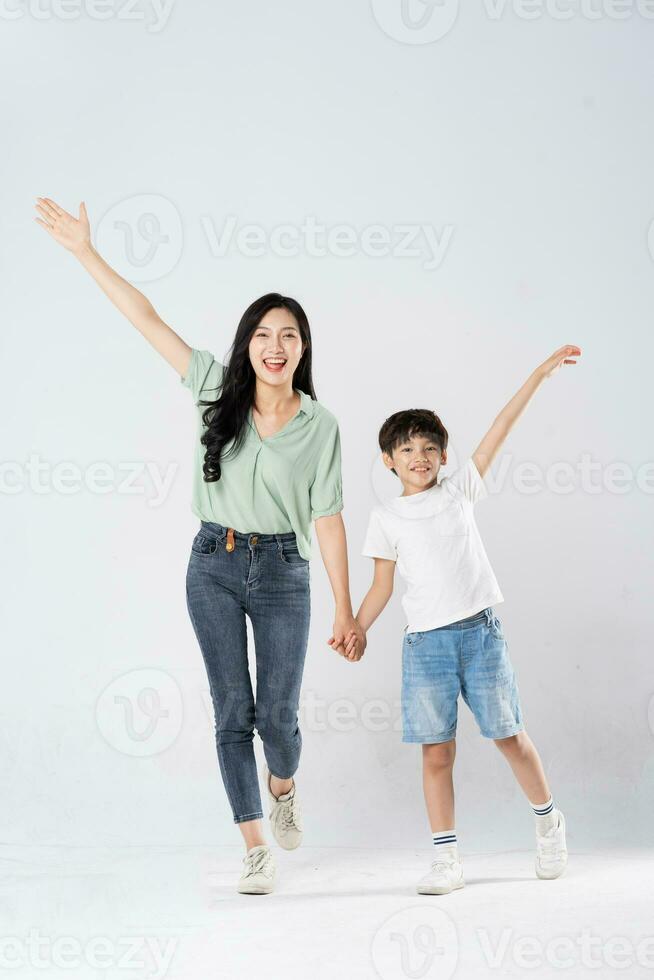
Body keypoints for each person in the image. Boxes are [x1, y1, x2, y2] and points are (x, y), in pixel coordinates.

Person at [35, 197, 365, 896]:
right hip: (211, 564)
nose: (276, 347)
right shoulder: (214, 387)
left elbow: (330, 520)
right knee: (231, 711)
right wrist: (86, 252)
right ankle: (253, 846)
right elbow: (146, 319)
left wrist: (347, 609)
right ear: (247, 342)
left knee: (277, 719)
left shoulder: (321, 426)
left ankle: (283, 786)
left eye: (290, 337)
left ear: (303, 350)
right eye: (264, 334)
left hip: (284, 571)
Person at [330, 345, 580, 895]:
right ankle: (447, 858)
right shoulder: (387, 516)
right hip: (425, 647)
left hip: (480, 636)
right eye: (406, 448)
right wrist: (357, 627)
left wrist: (538, 374)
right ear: (387, 460)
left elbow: (500, 427)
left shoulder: (460, 491)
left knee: (509, 735)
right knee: (436, 751)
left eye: (429, 447)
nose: (419, 456)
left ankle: (548, 823)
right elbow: (381, 586)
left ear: (444, 456)